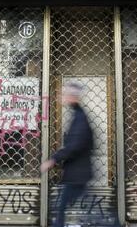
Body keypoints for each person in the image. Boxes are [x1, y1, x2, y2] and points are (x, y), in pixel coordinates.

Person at [41, 82, 94, 227]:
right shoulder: (79, 115)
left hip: (77, 174)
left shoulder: (80, 118)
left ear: (73, 97)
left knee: (61, 208)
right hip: (77, 173)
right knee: (63, 208)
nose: (62, 97)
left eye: (65, 94)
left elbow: (74, 146)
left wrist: (53, 160)